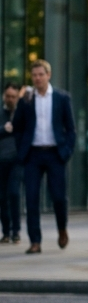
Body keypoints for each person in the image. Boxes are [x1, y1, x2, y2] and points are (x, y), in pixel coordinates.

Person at [11, 60, 77, 255]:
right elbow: (18, 127)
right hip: (33, 154)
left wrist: (66, 151)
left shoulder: (62, 98)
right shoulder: (26, 100)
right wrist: (21, 149)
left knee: (58, 197)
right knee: (31, 197)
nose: (37, 78)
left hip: (55, 153)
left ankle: (62, 228)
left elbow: (71, 129)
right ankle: (35, 241)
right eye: (34, 75)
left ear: (49, 75)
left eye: (41, 74)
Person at [0, 83, 22, 244]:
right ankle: (6, 231)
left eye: (13, 97)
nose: (10, 99)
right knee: (2, 197)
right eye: (8, 96)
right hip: (1, 160)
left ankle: (16, 230)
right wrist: (3, 129)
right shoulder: (1, 113)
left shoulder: (21, 113)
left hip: (16, 160)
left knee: (14, 193)